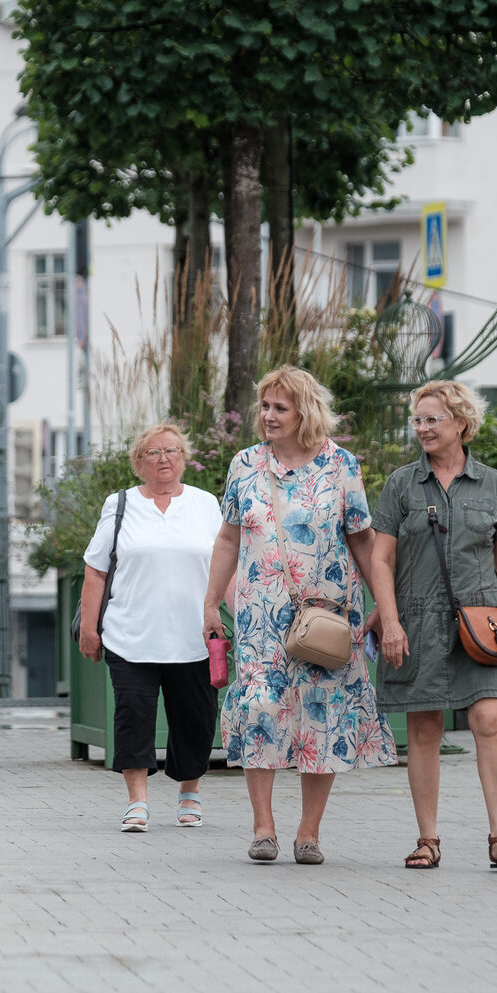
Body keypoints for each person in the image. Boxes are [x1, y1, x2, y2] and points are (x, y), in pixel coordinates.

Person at [202, 366, 396, 864]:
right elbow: (229, 538)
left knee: (322, 715)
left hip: (328, 614)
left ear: (304, 412)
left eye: (279, 408)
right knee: (259, 708)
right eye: (264, 407)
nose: (268, 416)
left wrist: (383, 609)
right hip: (260, 616)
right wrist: (210, 603)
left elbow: (362, 538)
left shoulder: (340, 464)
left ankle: (308, 833)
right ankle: (263, 826)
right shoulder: (244, 464)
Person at [367, 381, 497, 870]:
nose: (422, 428)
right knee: (424, 727)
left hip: (480, 622)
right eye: (418, 420)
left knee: (490, 719)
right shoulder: (402, 484)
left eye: (432, 420)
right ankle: (428, 839)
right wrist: (392, 622)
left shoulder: (493, 484)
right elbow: (381, 559)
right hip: (417, 621)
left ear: (461, 424)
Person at [79, 421, 223, 832]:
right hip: (130, 635)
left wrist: (240, 616)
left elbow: (224, 567)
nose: (164, 459)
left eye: (172, 451)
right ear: (139, 463)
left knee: (195, 718)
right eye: (154, 452)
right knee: (133, 715)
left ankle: (189, 792)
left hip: (193, 637)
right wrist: (90, 628)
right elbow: (96, 570)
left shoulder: (205, 504)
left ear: (185, 458)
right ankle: (137, 802)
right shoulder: (120, 504)